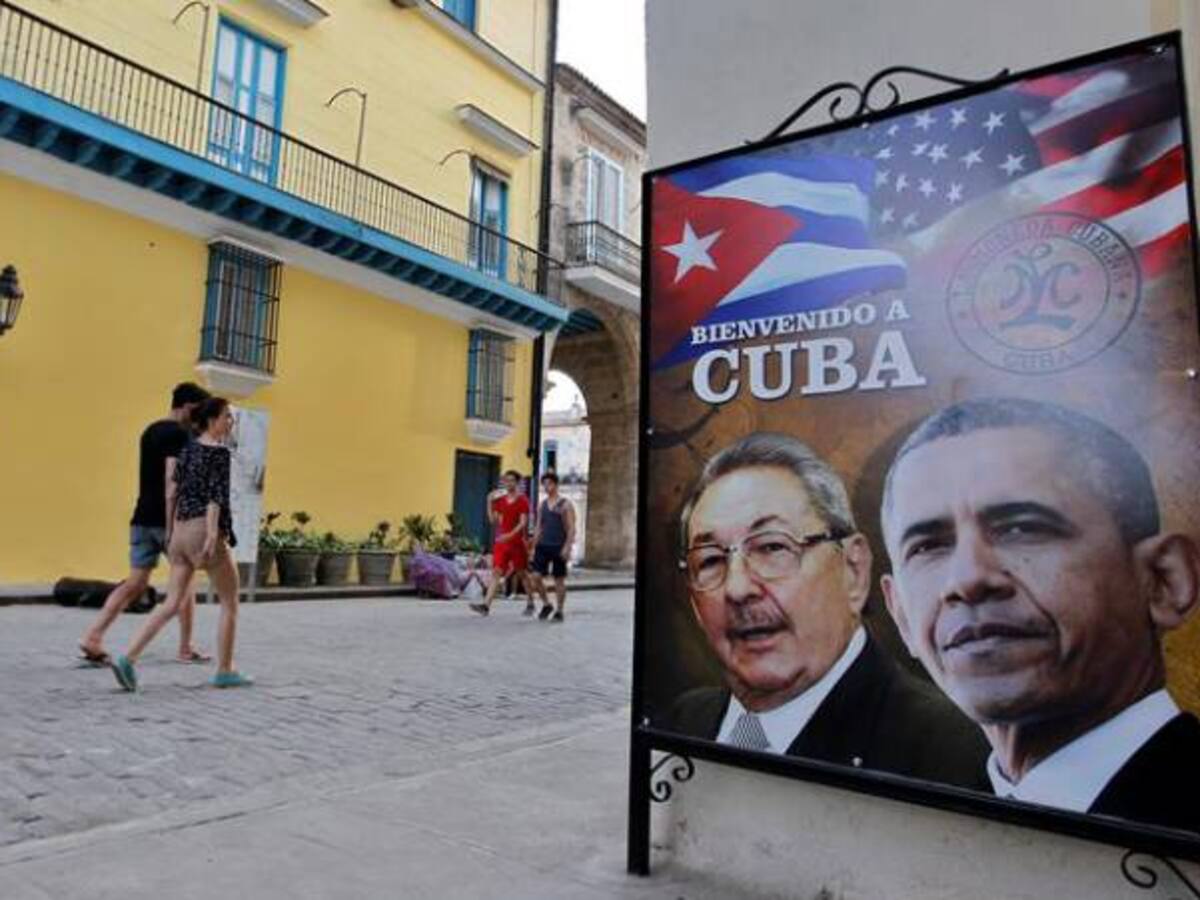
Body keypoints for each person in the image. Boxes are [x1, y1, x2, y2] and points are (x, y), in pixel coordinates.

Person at [880, 397, 1200, 831]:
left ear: (1164, 580)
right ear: (901, 617)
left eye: (1022, 528)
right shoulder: (920, 823)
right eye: (928, 546)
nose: (968, 579)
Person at [668, 432, 987, 785]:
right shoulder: (688, 719)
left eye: (773, 547)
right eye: (710, 560)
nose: (737, 588)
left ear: (853, 569)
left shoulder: (955, 755)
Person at [111, 397, 253, 691]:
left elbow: (172, 490)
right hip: (203, 529)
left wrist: (172, 529)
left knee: (171, 603)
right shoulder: (219, 454)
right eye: (227, 417)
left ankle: (128, 657)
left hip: (180, 531)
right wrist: (213, 535)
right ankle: (225, 670)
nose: (230, 422)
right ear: (212, 420)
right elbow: (216, 496)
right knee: (230, 601)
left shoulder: (186, 450)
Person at [79, 382, 211, 667]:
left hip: (141, 517)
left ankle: (93, 636)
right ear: (188, 406)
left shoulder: (150, 430)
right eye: (199, 409)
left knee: (135, 582)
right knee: (185, 582)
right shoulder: (180, 435)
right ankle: (186, 647)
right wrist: (173, 525)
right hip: (167, 519)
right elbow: (170, 481)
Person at [469, 470, 531, 617]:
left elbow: (523, 523)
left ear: (517, 483)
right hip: (502, 543)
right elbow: (493, 520)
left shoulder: (523, 500)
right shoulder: (500, 500)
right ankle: (486, 606)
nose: (508, 483)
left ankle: (531, 602)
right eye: (506, 481)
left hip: (516, 542)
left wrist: (509, 535)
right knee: (496, 572)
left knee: (522, 574)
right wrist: (488, 502)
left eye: (511, 480)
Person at [529, 472, 576, 622]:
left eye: (549, 484)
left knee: (558, 580)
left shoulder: (565, 504)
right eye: (545, 484)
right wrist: (532, 547)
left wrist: (567, 547)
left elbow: (571, 528)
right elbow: (538, 527)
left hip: (558, 546)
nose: (547, 487)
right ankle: (546, 604)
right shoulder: (542, 504)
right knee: (535, 577)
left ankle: (560, 610)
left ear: (556, 485)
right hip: (543, 545)